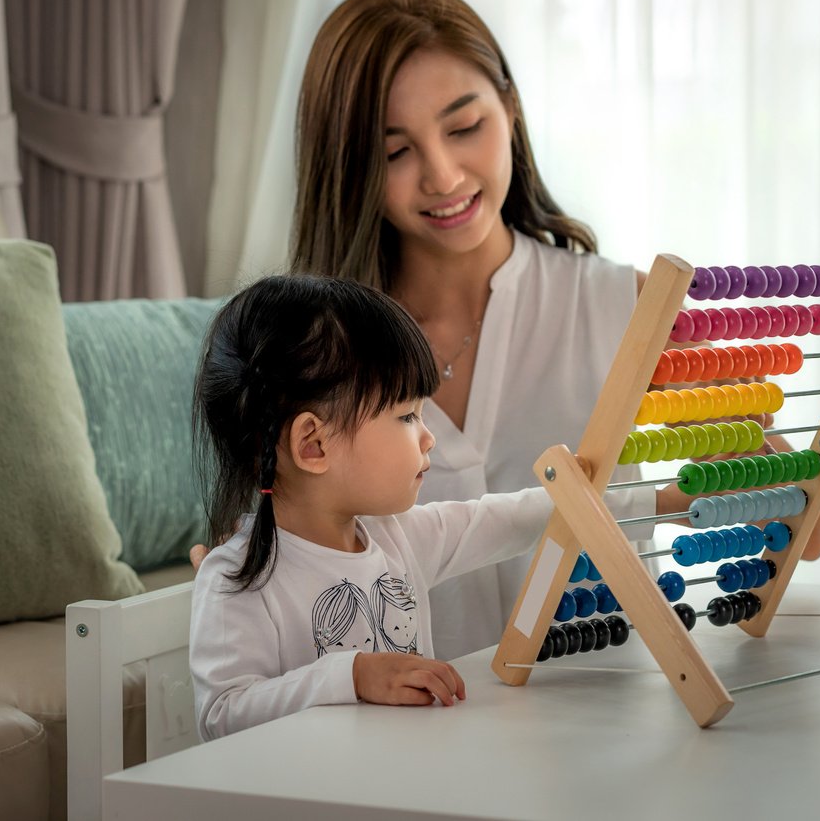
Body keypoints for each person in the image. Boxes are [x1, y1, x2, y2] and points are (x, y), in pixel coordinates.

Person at [198, 0, 820, 661]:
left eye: (464, 127)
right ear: (347, 166)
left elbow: (805, 528)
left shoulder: (626, 310)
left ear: (510, 109)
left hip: (613, 720)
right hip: (408, 737)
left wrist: (747, 470)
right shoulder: (302, 355)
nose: (441, 175)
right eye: (394, 151)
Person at [190, 274, 557, 738]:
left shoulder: (397, 536)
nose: (428, 437)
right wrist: (353, 675)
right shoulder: (237, 577)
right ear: (314, 445)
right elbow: (221, 715)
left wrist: (656, 499)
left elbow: (517, 517)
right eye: (407, 416)